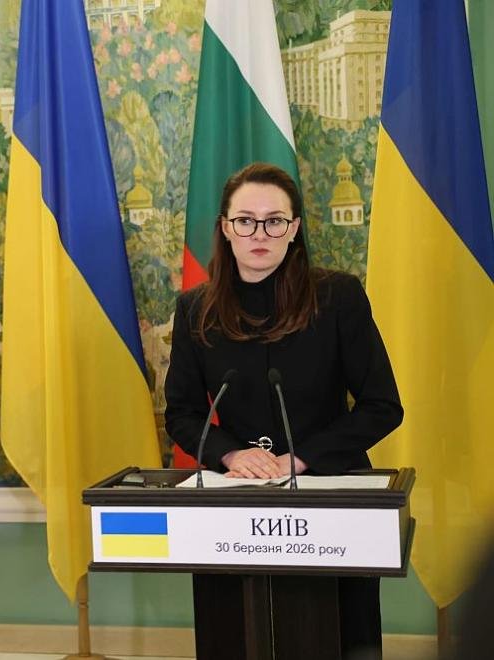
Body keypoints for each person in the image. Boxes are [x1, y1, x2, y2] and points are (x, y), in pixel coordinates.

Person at [163, 162, 403, 658]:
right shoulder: (195, 309)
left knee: (339, 636)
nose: (260, 233)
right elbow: (182, 413)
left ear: (293, 229)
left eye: (274, 221)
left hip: (333, 498)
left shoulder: (338, 297)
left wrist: (300, 458)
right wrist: (232, 455)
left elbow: (382, 406)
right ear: (226, 228)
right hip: (234, 506)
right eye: (245, 220)